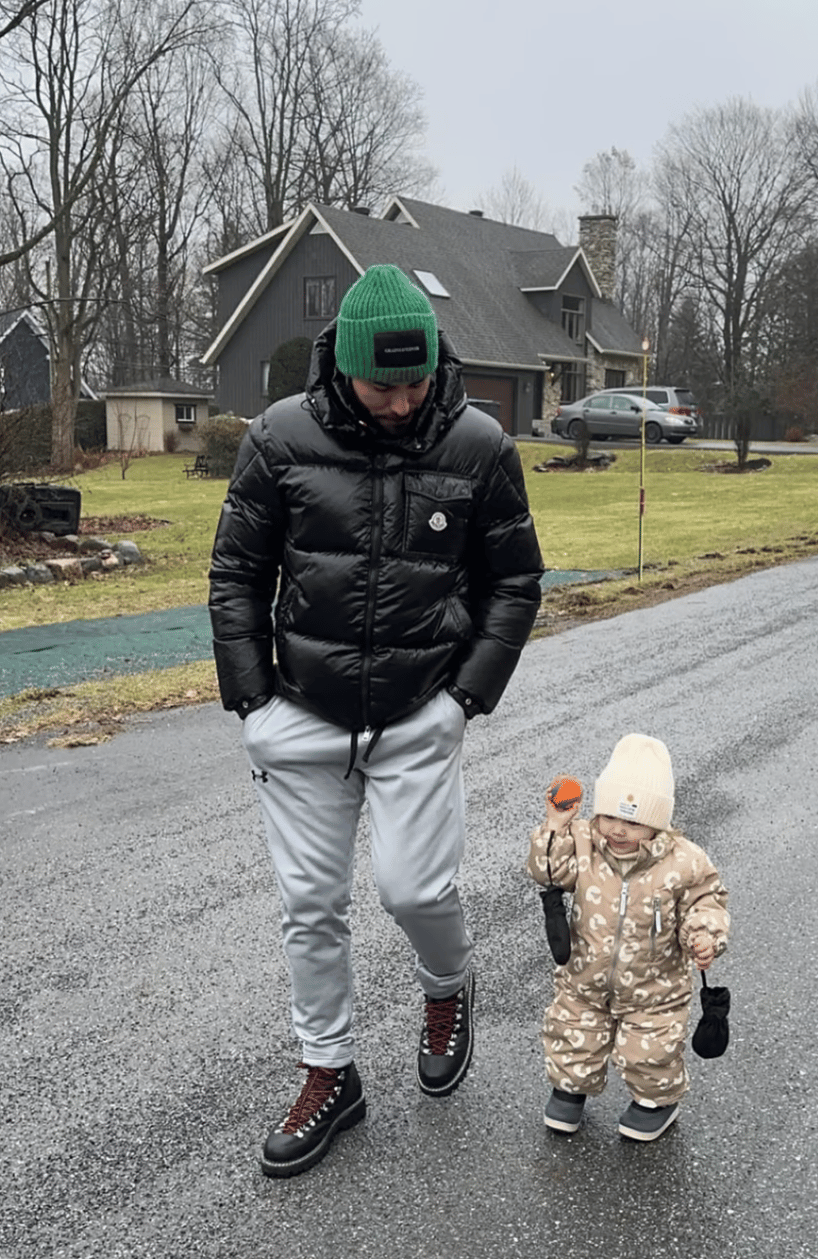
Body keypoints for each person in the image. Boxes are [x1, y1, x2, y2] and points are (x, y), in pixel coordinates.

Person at [209, 264, 544, 1177]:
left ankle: (447, 987)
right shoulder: (277, 441)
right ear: (341, 369)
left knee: (413, 891)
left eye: (415, 382)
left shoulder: (479, 446)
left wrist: (464, 698)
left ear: (436, 364)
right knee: (310, 909)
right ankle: (331, 1073)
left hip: (417, 715)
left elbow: (515, 582)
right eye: (381, 385)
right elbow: (236, 573)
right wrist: (252, 698)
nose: (400, 404)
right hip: (300, 717)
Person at [526, 734, 730, 1142]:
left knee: (651, 1052)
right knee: (572, 1034)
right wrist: (555, 827)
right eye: (610, 817)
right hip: (585, 980)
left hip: (655, 989)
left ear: (658, 821)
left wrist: (704, 935)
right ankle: (570, 1088)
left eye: (633, 821)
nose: (618, 831)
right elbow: (547, 872)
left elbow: (706, 901)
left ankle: (656, 1101)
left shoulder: (684, 861)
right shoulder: (585, 842)